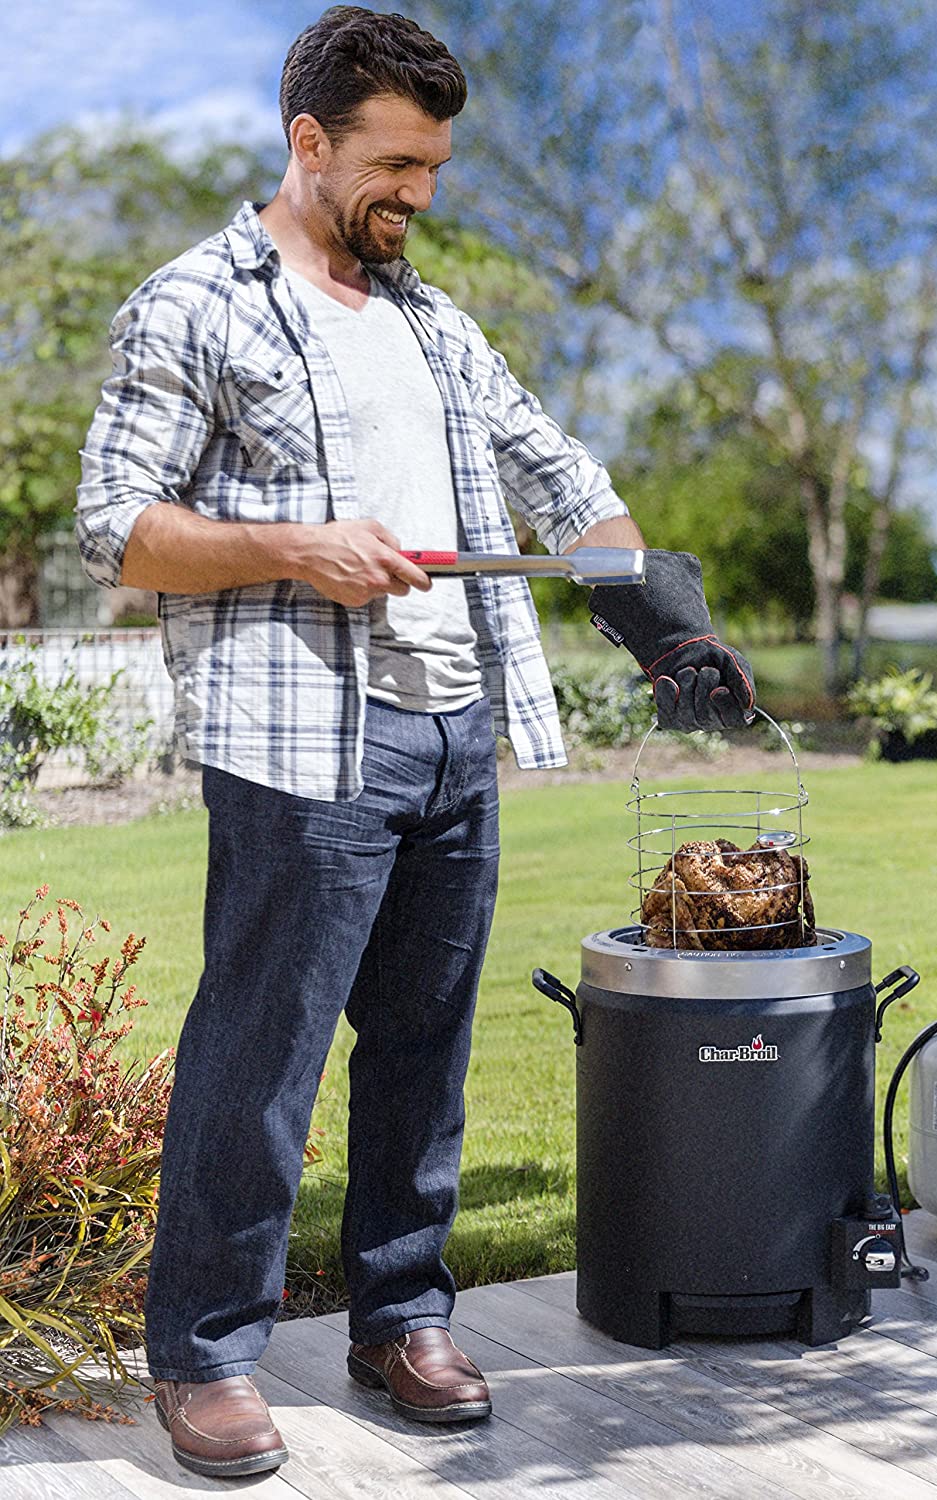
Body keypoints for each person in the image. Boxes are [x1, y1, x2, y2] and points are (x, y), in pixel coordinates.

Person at [75, 5, 754, 1480]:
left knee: (424, 1057)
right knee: (262, 1060)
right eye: (395, 164)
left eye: (436, 167)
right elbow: (119, 528)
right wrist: (294, 548)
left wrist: (666, 623)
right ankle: (202, 1355)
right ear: (306, 141)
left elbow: (565, 482)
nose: (420, 195)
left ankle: (400, 1316)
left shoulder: (435, 321)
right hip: (304, 740)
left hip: (456, 735)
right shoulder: (194, 304)